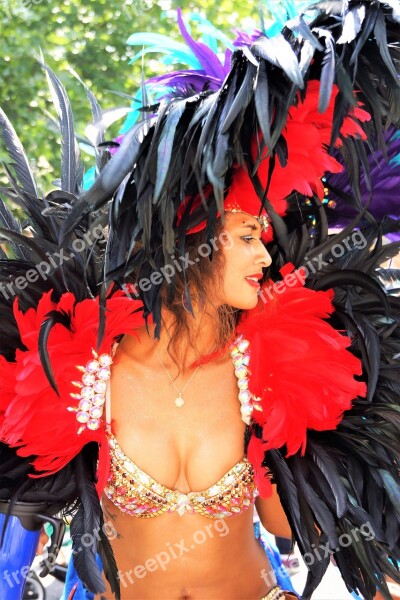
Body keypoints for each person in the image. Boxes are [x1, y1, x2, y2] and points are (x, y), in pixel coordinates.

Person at [0, 2, 400, 600]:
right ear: (190, 241)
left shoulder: (269, 366)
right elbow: (25, 509)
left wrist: (325, 446)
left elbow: (288, 525)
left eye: (263, 237)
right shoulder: (85, 365)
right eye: (246, 237)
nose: (264, 256)